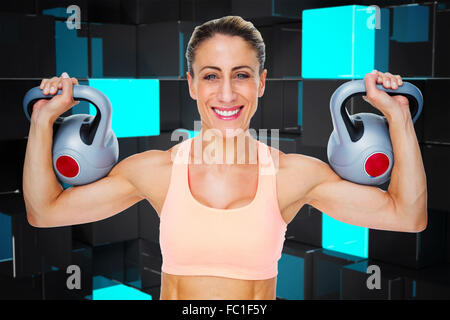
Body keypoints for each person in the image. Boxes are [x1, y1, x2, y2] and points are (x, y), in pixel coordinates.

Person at [23, 16, 427, 300]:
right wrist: (42, 120)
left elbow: (407, 216)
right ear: (192, 85)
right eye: (212, 75)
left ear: (262, 82)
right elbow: (45, 211)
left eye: (242, 74)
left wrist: (398, 116)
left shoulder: (292, 175)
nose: (228, 94)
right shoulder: (156, 171)